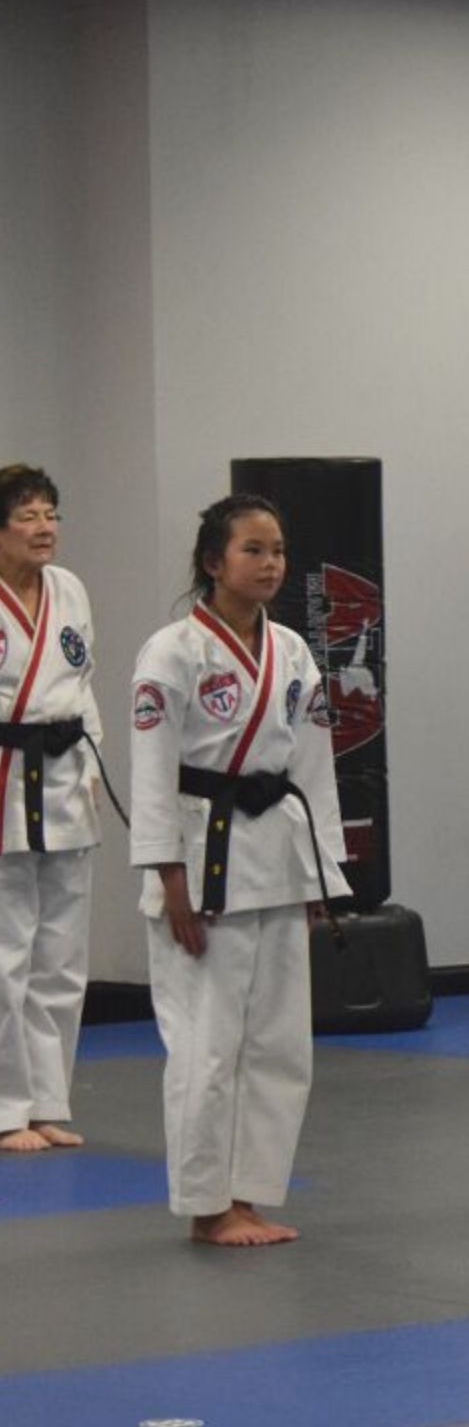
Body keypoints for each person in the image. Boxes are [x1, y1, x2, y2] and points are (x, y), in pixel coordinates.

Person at [130, 495, 349, 1246]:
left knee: (280, 1043)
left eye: (278, 550)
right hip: (204, 854)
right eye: (252, 550)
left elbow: (314, 768)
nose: (270, 564)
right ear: (212, 562)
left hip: (278, 858)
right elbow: (153, 771)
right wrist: (169, 878)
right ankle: (206, 1203)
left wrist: (324, 877)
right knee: (208, 1044)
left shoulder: (292, 649)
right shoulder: (171, 651)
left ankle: (249, 1194)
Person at [0, 466, 103, 1153]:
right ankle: (6, 1107)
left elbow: (83, 683)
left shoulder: (70, 590)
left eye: (52, 514)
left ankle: (47, 1099)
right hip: (6, 778)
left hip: (65, 776)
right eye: (28, 515)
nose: (45, 528)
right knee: (6, 950)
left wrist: (92, 762)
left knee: (61, 952)